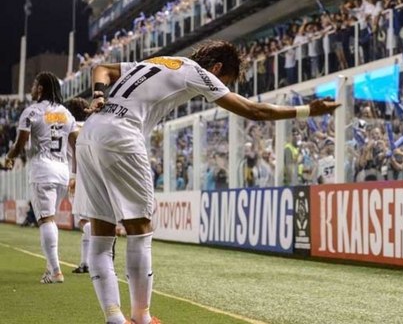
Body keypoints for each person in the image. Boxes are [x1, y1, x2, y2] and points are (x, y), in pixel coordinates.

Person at [76, 40, 340, 324]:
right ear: (215, 68)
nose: (220, 88)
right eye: (224, 81)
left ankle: (114, 320)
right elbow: (254, 111)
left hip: (88, 136)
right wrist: (306, 111)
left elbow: (101, 68)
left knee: (101, 234)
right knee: (139, 227)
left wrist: (99, 94)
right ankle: (142, 318)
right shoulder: (194, 71)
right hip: (122, 136)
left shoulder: (157, 61)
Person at [5, 72, 78, 284]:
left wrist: (9, 158)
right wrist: (75, 173)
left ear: (41, 88)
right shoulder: (66, 113)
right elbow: (76, 144)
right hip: (62, 171)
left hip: (42, 170)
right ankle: (50, 268)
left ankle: (56, 271)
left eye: (34, 84)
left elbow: (20, 143)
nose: (31, 88)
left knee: (46, 220)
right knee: (51, 220)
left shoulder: (32, 111)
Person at [65, 97, 92, 274]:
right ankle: (85, 262)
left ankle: (90, 260)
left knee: (83, 222)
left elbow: (74, 152)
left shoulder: (71, 128)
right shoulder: (92, 126)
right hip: (97, 174)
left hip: (78, 175)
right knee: (91, 218)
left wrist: (74, 176)